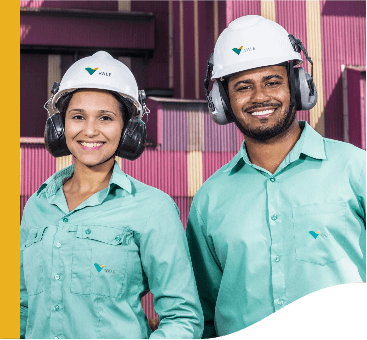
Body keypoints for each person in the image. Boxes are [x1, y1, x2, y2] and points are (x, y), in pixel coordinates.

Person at [186, 15, 366, 338]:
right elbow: (203, 317)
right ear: (222, 101)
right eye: (243, 86)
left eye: (272, 82)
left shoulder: (355, 169)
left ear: (297, 86)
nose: (259, 97)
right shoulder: (208, 203)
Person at [20, 51, 203, 339]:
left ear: (128, 129)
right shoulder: (37, 206)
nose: (89, 130)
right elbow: (22, 307)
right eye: (77, 116)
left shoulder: (153, 209)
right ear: (60, 126)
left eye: (105, 118)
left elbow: (183, 317)